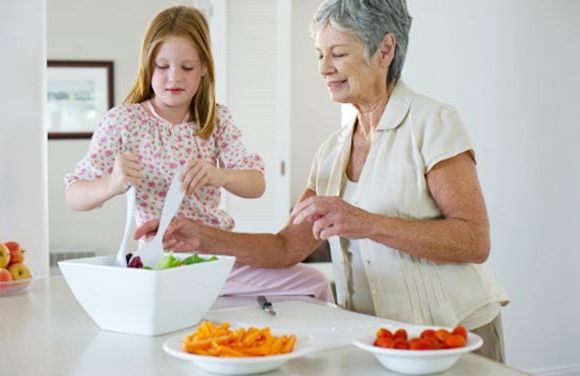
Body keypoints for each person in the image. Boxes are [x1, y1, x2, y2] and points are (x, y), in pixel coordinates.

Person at [135, 0, 509, 362]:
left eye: (338, 54)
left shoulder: (432, 123)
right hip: (375, 338)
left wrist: (367, 224)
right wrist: (200, 236)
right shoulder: (332, 151)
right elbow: (285, 248)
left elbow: (474, 240)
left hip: (453, 335)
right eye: (319, 54)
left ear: (385, 50)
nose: (324, 68)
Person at [65, 6, 333, 303]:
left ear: (204, 67)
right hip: (163, 261)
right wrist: (112, 184)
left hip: (217, 255)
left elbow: (256, 185)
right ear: (147, 66)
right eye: (162, 66)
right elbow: (74, 196)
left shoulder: (216, 120)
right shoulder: (124, 121)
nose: (174, 78)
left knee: (314, 282)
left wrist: (219, 174)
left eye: (187, 67)